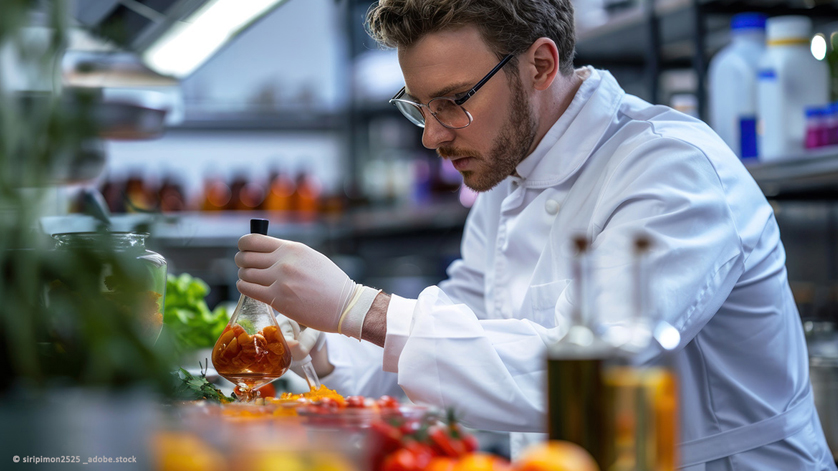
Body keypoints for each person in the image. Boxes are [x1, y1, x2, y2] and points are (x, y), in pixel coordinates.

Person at [235, 0, 836, 468]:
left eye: (452, 102)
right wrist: (318, 345)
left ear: (541, 65)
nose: (432, 135)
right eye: (419, 106)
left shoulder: (671, 170)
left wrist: (357, 307)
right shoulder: (507, 176)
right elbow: (454, 329)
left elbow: (590, 373)